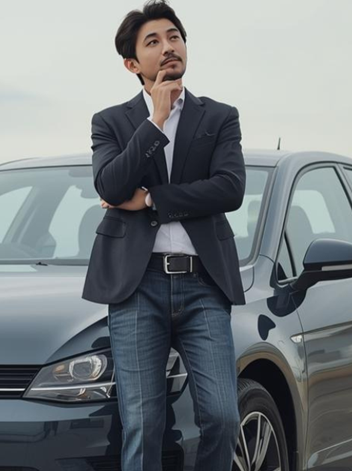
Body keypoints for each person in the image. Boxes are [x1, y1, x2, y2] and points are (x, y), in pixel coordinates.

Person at [80, 1, 247, 469]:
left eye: (174, 37)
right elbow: (111, 185)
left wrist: (153, 199)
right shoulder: (110, 122)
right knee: (144, 421)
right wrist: (155, 120)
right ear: (132, 64)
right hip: (137, 286)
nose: (168, 47)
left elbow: (230, 188)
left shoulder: (219, 117)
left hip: (203, 285)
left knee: (221, 416)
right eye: (153, 41)